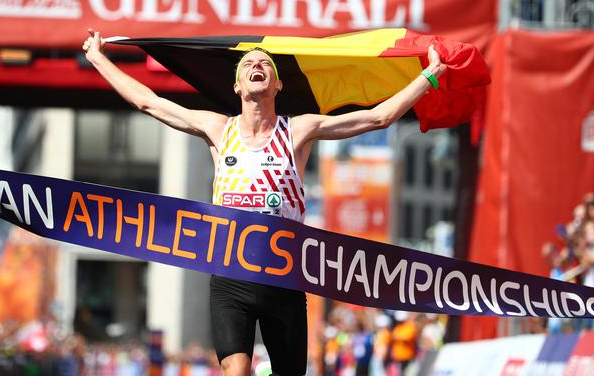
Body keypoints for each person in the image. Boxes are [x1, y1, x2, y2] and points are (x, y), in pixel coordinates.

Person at [82, 28, 446, 376]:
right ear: (237, 85)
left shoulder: (299, 129)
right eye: (249, 65)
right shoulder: (218, 129)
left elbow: (377, 117)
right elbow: (148, 102)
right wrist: (98, 58)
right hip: (230, 272)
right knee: (235, 368)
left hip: (282, 274)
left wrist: (429, 75)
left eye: (265, 65)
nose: (257, 66)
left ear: (278, 84)